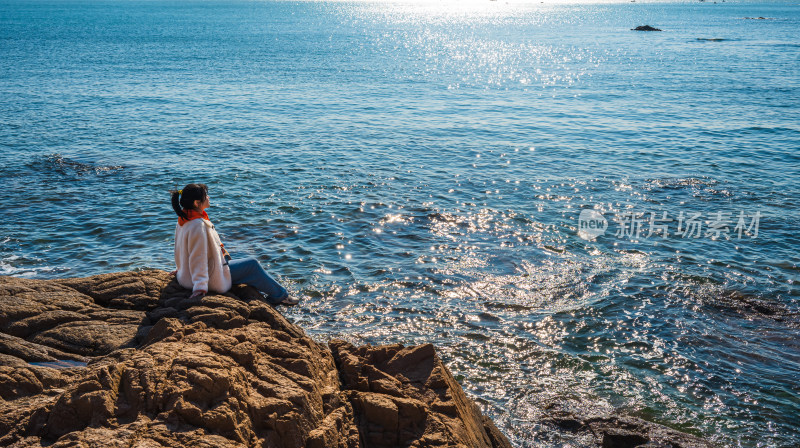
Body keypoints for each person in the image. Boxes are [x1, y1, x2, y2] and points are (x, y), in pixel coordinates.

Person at [170, 183, 298, 305]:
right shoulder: (198, 225)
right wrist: (200, 287)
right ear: (197, 203)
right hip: (207, 278)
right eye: (206, 196)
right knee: (252, 265)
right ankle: (281, 296)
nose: (208, 197)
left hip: (188, 275)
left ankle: (270, 290)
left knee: (235, 261)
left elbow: (180, 248)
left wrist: (181, 268)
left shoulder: (184, 217)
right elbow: (198, 257)